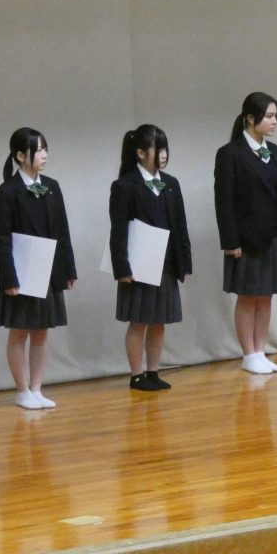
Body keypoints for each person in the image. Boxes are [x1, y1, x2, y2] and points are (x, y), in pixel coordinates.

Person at [214, 92, 277, 376]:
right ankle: (248, 354)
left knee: (266, 296)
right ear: (250, 118)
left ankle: (260, 351)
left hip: (275, 236)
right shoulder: (230, 154)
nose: (274, 121)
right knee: (248, 296)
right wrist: (231, 241)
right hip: (246, 240)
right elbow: (224, 202)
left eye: (276, 116)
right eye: (269, 116)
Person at [0, 128, 77, 409]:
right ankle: (22, 390)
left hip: (48, 270)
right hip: (21, 273)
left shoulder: (52, 186)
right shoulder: (7, 192)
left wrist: (68, 269)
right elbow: (0, 239)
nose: (44, 155)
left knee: (41, 331)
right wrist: (9, 278)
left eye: (44, 149)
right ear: (20, 156)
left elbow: (62, 231)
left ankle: (37, 389)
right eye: (38, 150)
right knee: (19, 332)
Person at [109, 124, 192, 392]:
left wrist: (184, 260)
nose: (164, 154)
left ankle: (153, 371)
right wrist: (122, 267)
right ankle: (136, 374)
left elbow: (180, 224)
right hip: (139, 265)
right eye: (158, 148)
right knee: (139, 321)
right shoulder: (124, 185)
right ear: (141, 153)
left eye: (165, 148)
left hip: (166, 262)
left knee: (159, 320)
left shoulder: (171, 184)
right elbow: (118, 229)